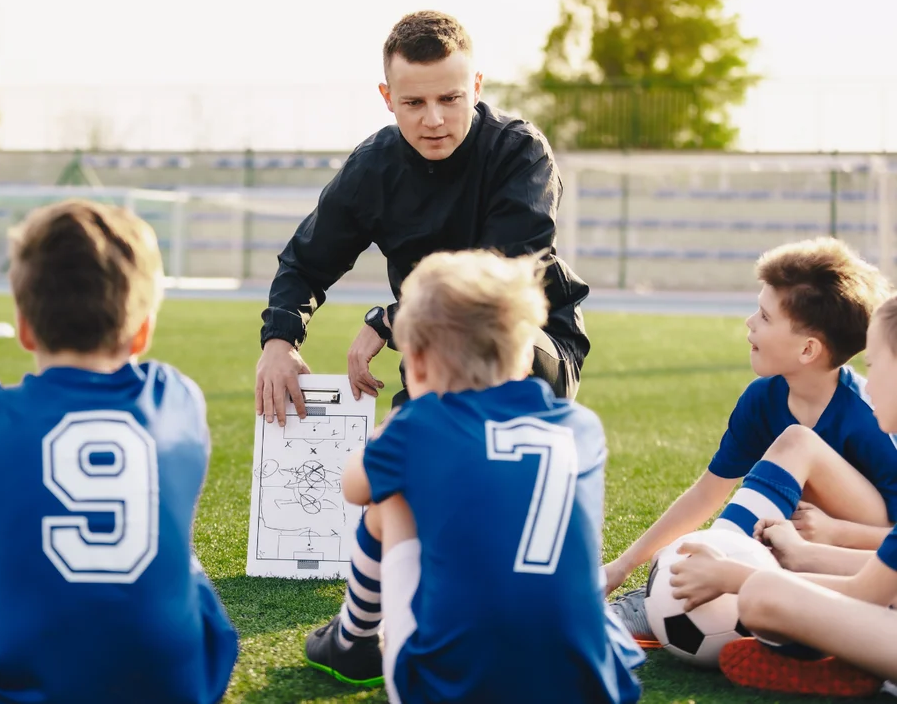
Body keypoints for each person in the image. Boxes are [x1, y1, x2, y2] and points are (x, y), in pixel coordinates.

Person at [0, 199, 239, 702]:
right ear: (143, 330)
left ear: (25, 327)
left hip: (12, 689)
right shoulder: (179, 400)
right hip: (176, 686)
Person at [327, 248, 643, 702]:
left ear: (415, 362)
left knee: (387, 496)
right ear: (524, 358)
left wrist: (389, 435)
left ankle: (352, 638)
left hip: (453, 688)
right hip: (590, 687)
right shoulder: (581, 426)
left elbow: (353, 487)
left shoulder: (417, 426)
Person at [255, 9, 590, 430]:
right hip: (428, 359)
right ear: (388, 97)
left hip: (530, 345)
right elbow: (304, 263)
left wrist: (389, 320)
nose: (433, 120)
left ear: (476, 86)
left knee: (492, 340)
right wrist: (279, 342)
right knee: (396, 467)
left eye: (450, 99)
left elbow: (499, 278)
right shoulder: (373, 168)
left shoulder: (520, 152)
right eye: (414, 103)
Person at [604, 237, 896, 646]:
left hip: (869, 559)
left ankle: (680, 596)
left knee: (798, 442)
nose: (749, 323)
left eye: (764, 315)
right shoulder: (762, 399)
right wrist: (621, 566)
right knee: (775, 511)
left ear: (808, 349)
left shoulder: (871, 415)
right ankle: (690, 590)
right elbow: (707, 493)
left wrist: (837, 532)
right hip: (807, 553)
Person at [663, 294, 897, 698]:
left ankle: (854, 664)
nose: (868, 381)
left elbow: (865, 592)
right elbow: (879, 575)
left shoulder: (862, 420)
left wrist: (733, 576)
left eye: (875, 367)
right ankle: (848, 666)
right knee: (773, 589)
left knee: (761, 596)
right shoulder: (765, 396)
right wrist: (806, 555)